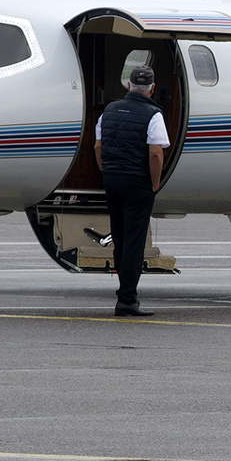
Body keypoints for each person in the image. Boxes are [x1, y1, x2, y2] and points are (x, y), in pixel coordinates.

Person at [94, 64, 169, 316]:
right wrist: (154, 183)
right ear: (152, 88)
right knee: (135, 243)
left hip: (113, 180)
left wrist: (108, 172)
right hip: (138, 183)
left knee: (120, 239)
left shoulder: (109, 111)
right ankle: (127, 299)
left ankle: (124, 292)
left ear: (128, 85)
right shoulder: (153, 114)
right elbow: (155, 153)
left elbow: (97, 147)